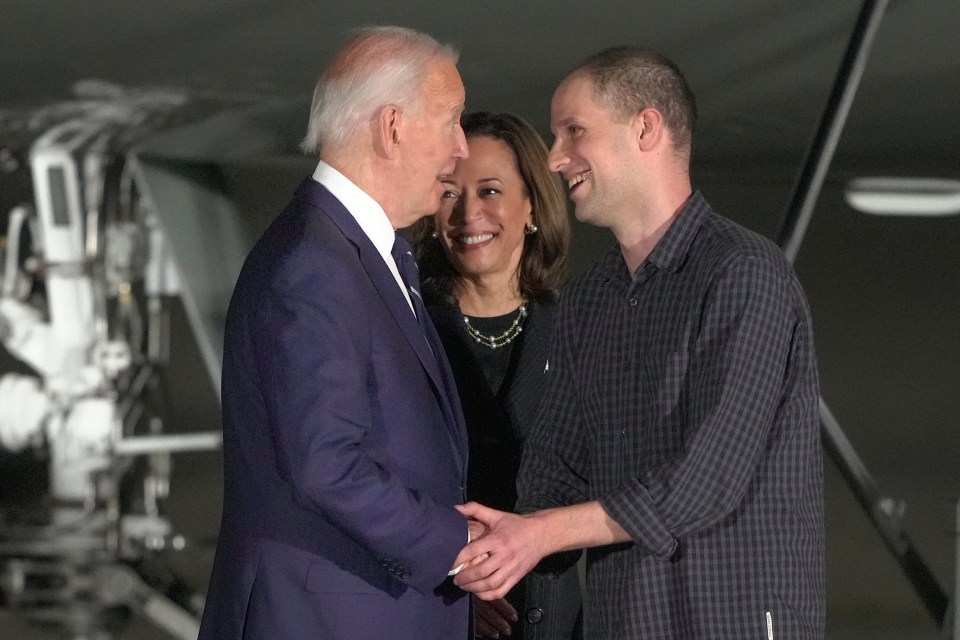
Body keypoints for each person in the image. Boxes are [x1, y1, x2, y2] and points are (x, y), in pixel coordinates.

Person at [452, 46, 825, 639]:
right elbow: (555, 470)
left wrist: (540, 533)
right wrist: (492, 542)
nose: (555, 158)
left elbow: (708, 479)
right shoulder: (591, 300)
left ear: (646, 127)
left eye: (574, 131)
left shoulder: (745, 274)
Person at [198, 26, 478, 640]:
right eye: (452, 120)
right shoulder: (313, 264)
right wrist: (462, 546)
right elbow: (326, 465)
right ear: (392, 127)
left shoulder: (351, 254)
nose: (461, 147)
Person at [411, 111, 581, 639]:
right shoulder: (403, 327)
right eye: (448, 192)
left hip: (554, 619)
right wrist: (452, 578)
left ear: (531, 202)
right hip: (432, 614)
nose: (468, 214)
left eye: (490, 190)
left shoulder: (584, 332)